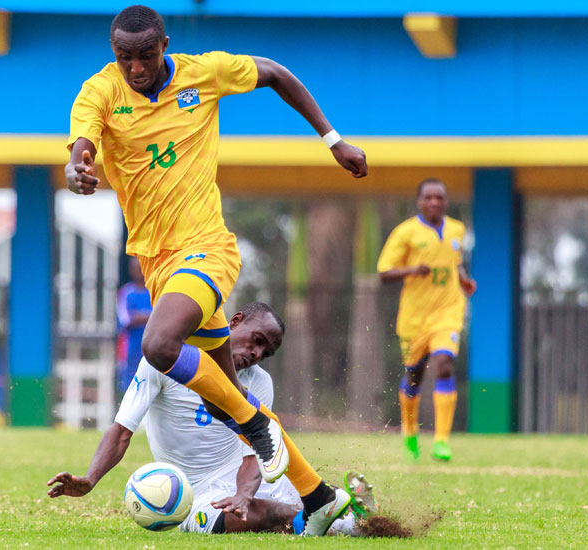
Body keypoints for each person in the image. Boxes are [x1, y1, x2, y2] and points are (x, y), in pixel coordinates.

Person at [64, 5, 367, 535]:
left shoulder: (203, 73)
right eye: (123, 57)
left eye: (143, 56)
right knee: (225, 390)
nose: (133, 68)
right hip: (159, 264)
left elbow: (274, 72)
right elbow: (83, 142)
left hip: (206, 250)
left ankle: (256, 428)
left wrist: (332, 140)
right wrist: (77, 167)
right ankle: (320, 499)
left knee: (159, 347)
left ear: (164, 46)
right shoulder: (101, 91)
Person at [48, 303, 376, 535]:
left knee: (301, 497)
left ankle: (358, 518)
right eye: (257, 341)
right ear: (235, 321)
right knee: (267, 513)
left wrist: (244, 492)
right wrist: (90, 479)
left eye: (266, 353)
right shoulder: (166, 359)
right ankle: (352, 527)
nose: (257, 354)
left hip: (242, 478)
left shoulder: (259, 383)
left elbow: (255, 451)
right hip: (192, 493)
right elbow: (122, 430)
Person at [377, 179, 477, 462]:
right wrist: (412, 269)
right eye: (429, 197)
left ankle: (442, 441)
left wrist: (464, 280)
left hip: (448, 312)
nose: (434, 202)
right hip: (414, 318)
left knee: (445, 364)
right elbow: (383, 272)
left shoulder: (457, 229)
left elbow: (454, 262)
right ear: (419, 201)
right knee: (415, 374)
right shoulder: (406, 232)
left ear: (445, 201)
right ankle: (409, 432)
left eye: (439, 198)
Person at [116, 257, 152, 394]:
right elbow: (126, 320)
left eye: (141, 267)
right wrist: (150, 316)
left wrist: (138, 316)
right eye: (134, 268)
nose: (138, 271)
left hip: (151, 346)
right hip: (131, 349)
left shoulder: (154, 291)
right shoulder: (126, 292)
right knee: (131, 388)